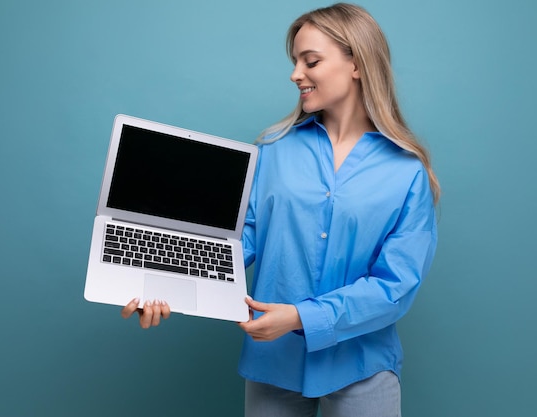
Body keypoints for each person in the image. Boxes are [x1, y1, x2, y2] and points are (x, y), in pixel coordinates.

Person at [121, 3, 439, 416]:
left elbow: (395, 287)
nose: (295, 74)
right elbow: (238, 245)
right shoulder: (272, 150)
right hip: (274, 362)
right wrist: (161, 283)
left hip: (361, 365)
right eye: (295, 62)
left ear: (356, 63)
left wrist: (301, 318)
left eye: (311, 61)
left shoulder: (406, 172)